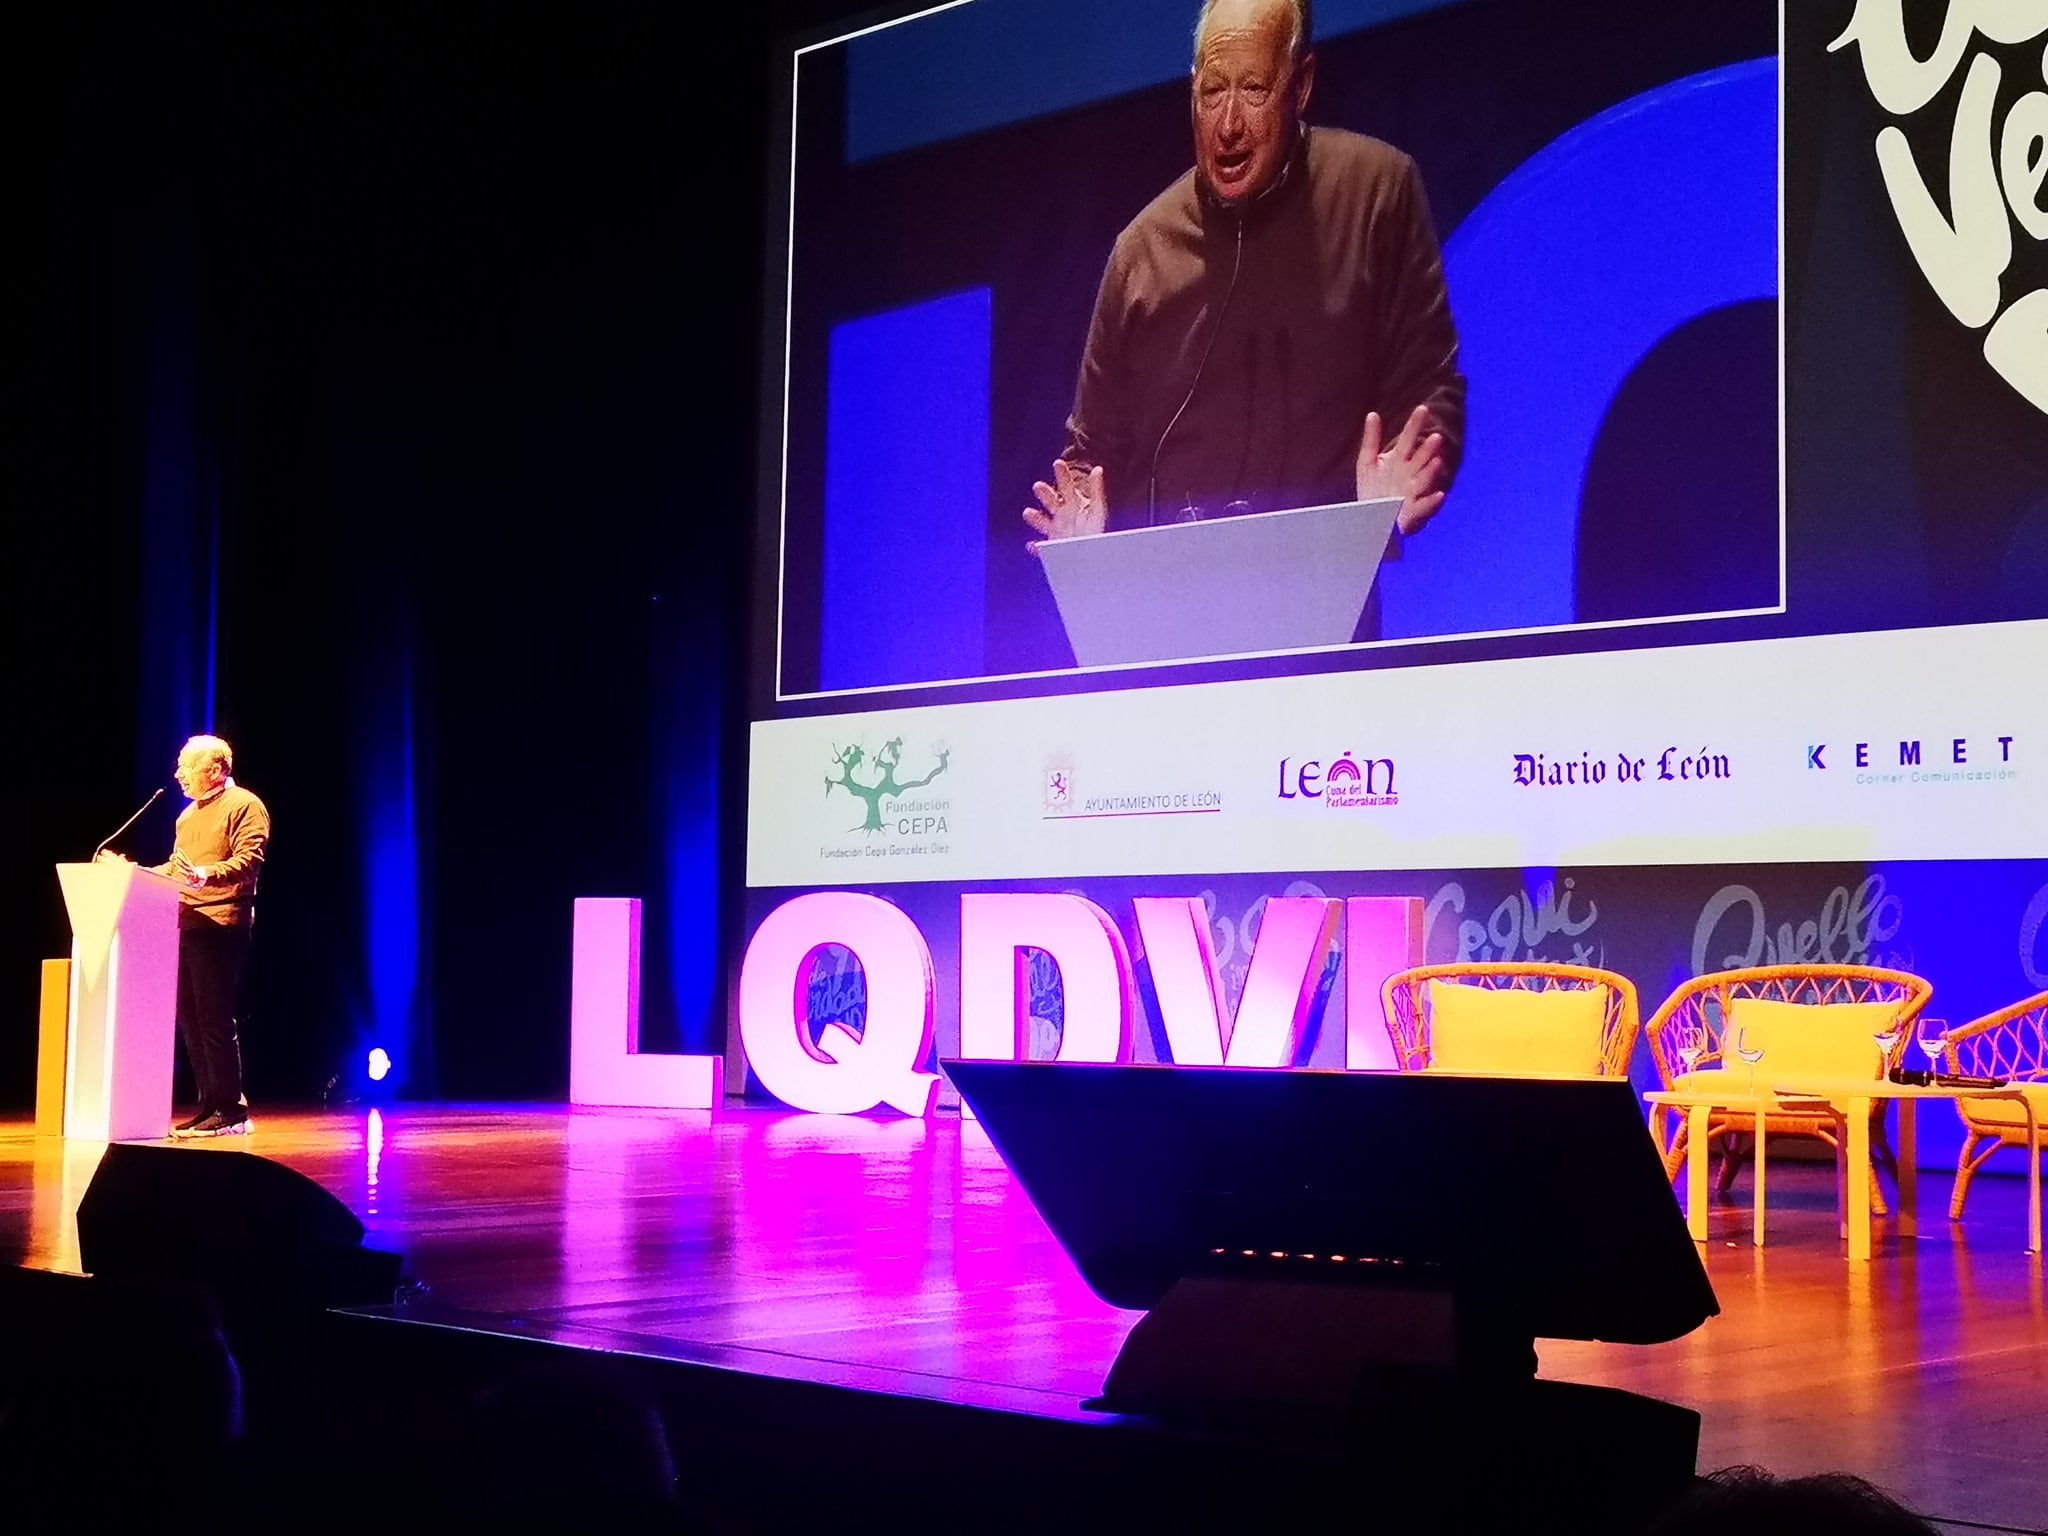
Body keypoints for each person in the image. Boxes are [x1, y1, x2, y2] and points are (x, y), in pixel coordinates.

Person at [1024, 0, 1465, 560]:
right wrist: (1080, 529)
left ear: (1300, 85)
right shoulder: (1141, 251)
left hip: (1325, 585)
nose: (1228, 125)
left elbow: (1430, 386)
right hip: (1166, 606)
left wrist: (1399, 483)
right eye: (1212, 93)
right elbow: (1091, 454)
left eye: (1254, 90)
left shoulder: (1376, 191)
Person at [101, 734, 271, 1136]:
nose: (178, 774)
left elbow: (249, 861)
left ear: (215, 769)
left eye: (186, 766)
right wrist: (131, 871)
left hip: (221, 923)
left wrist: (206, 874)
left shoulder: (245, 805)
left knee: (213, 1018)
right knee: (191, 1022)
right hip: (185, 923)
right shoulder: (187, 816)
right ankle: (209, 1104)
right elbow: (179, 873)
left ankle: (231, 1109)